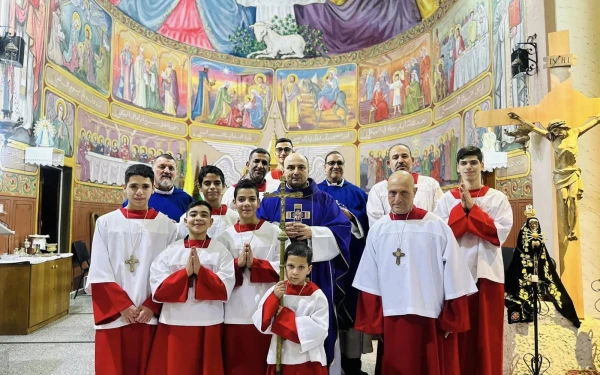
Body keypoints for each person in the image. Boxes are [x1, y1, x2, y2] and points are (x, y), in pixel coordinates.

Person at [353, 171, 477, 375]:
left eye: (404, 193)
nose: (397, 199)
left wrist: (452, 316)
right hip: (392, 316)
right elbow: (369, 278)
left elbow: (455, 273)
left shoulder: (435, 226)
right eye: (392, 193)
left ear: (415, 192)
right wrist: (376, 321)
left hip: (431, 314)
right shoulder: (379, 229)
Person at [257, 152, 351, 374]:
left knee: (318, 322)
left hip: (317, 273)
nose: (296, 172)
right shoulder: (271, 199)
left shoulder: (324, 200)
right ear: (283, 171)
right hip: (281, 274)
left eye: (301, 167)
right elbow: (259, 230)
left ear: (309, 171)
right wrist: (279, 232)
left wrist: (312, 233)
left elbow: (342, 230)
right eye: (291, 168)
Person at [85, 164, 178, 375]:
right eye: (133, 186)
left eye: (145, 186)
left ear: (153, 189)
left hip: (150, 311)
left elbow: (172, 272)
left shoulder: (167, 226)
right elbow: (100, 269)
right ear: (124, 188)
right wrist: (123, 306)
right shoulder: (106, 223)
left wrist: (151, 305)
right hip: (116, 313)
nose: (139, 192)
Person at [434, 146, 513, 375]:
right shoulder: (447, 200)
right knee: (458, 334)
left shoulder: (497, 198)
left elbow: (499, 233)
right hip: (456, 275)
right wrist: (465, 213)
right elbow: (441, 236)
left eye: (473, 162)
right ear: (458, 167)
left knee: (487, 335)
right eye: (464, 163)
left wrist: (471, 210)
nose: (469, 167)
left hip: (488, 274)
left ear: (482, 165)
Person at [146, 200, 235, 374]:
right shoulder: (170, 251)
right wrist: (184, 274)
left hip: (208, 320)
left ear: (211, 222)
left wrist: (201, 273)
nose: (198, 219)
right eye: (193, 215)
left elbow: (225, 289)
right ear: (185, 221)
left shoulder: (221, 251)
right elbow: (158, 290)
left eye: (204, 215)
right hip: (174, 320)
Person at [216, 179, 281, 375]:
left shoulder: (275, 233)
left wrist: (256, 265)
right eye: (241, 199)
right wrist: (238, 265)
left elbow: (283, 269)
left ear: (258, 202)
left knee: (262, 362)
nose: (246, 204)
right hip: (234, 310)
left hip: (265, 308)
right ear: (234, 203)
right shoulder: (225, 237)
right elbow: (218, 277)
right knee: (237, 363)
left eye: (252, 199)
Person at [317, 151, 371, 375]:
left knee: (351, 314)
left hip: (352, 263)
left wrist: (351, 216)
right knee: (325, 311)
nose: (335, 166)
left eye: (339, 163)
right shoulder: (315, 192)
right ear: (324, 167)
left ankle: (352, 367)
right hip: (325, 264)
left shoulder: (358, 194)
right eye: (331, 163)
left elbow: (368, 225)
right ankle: (325, 365)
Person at [252, 242, 329, 375]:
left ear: (309, 269)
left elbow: (319, 330)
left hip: (307, 359)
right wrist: (273, 298)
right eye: (291, 266)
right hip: (280, 356)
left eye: (301, 267)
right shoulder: (276, 291)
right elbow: (261, 323)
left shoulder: (316, 296)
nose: (295, 272)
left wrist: (285, 317)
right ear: (284, 266)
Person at [367, 143, 443, 227]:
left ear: (412, 160)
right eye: (395, 157)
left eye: (404, 156)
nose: (400, 161)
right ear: (388, 163)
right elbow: (376, 225)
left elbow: (441, 217)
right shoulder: (378, 190)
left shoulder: (431, 184)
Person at [124, 154, 194, 222]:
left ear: (176, 173)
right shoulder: (138, 197)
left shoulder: (186, 199)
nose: (167, 171)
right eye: (162, 167)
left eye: (171, 168)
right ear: (152, 171)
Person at [178, 165, 238, 239]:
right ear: (199, 186)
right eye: (207, 183)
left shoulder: (235, 218)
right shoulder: (188, 218)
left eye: (217, 183)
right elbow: (181, 245)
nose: (212, 187)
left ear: (223, 186)